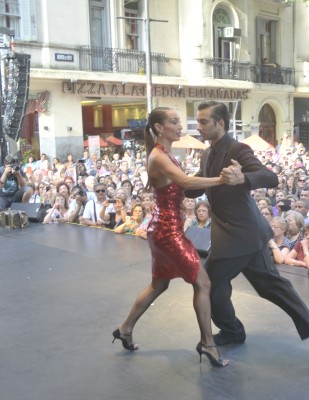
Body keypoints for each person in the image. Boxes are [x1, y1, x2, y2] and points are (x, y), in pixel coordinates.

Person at [185, 101, 309, 367]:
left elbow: (269, 177)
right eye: (198, 121)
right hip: (244, 234)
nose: (199, 126)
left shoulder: (237, 149)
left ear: (221, 123)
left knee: (207, 284)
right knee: (269, 285)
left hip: (238, 237)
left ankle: (232, 330)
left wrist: (242, 177)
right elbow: (200, 183)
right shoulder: (207, 155)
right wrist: (176, 185)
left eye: (204, 121)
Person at [113, 107, 229, 367]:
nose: (180, 127)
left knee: (159, 285)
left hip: (164, 228)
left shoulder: (164, 154)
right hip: (168, 231)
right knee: (203, 283)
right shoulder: (159, 156)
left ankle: (125, 329)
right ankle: (208, 344)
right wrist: (222, 180)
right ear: (158, 127)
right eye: (174, 122)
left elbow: (185, 183)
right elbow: (187, 184)